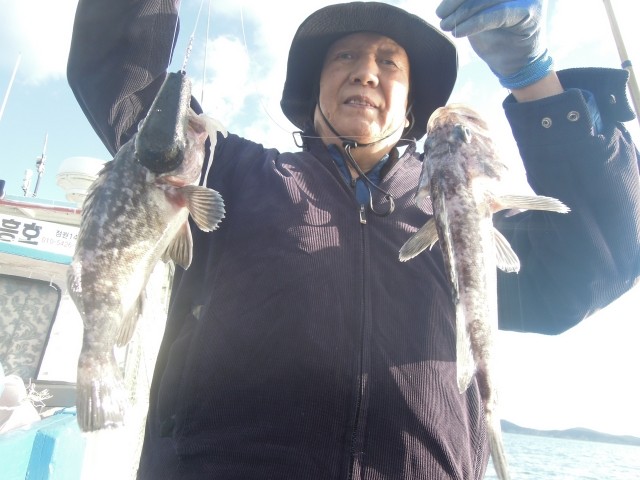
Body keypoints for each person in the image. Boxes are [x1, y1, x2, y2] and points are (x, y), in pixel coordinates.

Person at [67, 1, 640, 478]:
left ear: (411, 108)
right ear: (313, 92)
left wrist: (536, 81)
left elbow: (598, 259)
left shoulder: (461, 217)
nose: (366, 71)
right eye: (345, 56)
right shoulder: (225, 171)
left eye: (389, 62)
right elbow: (130, 86)